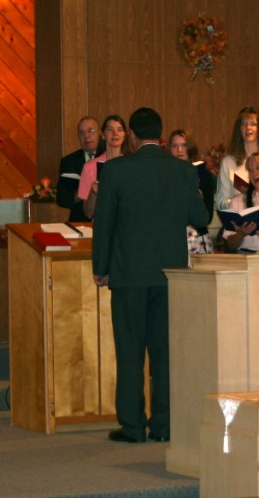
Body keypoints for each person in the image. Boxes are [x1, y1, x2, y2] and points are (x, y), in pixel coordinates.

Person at [92, 107, 208, 444]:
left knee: (130, 352)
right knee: (165, 353)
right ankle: (164, 424)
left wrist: (100, 267)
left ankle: (132, 426)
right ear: (161, 136)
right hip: (170, 275)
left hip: (128, 273)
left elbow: (104, 223)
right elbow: (200, 218)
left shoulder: (116, 169)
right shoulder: (183, 170)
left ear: (131, 135)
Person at [214, 107, 259, 211]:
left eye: (253, 124)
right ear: (239, 129)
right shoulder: (228, 162)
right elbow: (221, 202)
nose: (248, 127)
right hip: (239, 218)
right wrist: (239, 203)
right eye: (244, 123)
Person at [80, 115, 132, 219]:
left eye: (119, 130)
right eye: (110, 129)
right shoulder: (89, 167)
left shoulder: (132, 165)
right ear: (103, 135)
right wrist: (93, 194)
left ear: (125, 135)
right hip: (102, 222)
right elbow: (88, 213)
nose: (115, 133)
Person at [56, 116, 101, 223]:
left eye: (91, 131)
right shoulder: (68, 161)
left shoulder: (108, 158)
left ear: (100, 133)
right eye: (82, 133)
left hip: (104, 219)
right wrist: (79, 194)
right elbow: (61, 199)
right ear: (78, 137)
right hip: (79, 221)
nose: (86, 136)